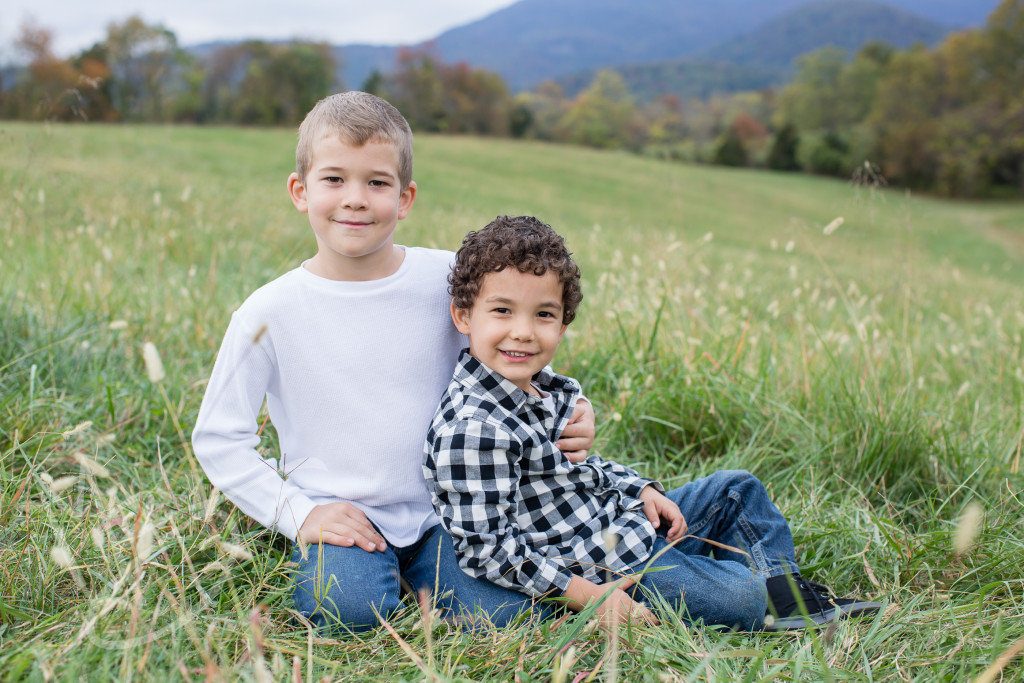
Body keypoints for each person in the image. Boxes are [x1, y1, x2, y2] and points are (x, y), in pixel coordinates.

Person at [190, 92, 596, 634]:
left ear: (404, 198)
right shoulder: (268, 313)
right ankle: (364, 574)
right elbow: (218, 436)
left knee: (499, 617)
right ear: (299, 190)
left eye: (376, 183)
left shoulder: (447, 279)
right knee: (346, 611)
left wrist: (570, 407)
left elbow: (512, 350)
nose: (355, 199)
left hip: (452, 511)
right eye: (334, 179)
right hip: (344, 516)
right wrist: (300, 513)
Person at [423, 215, 883, 631]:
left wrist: (640, 490)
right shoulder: (474, 429)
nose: (523, 331)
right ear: (464, 316)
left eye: (543, 314)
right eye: (502, 311)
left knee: (737, 489)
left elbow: (581, 471)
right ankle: (762, 594)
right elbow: (489, 552)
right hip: (601, 569)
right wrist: (589, 597)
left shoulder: (543, 387)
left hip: (617, 524)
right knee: (740, 599)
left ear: (563, 324)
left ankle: (787, 594)